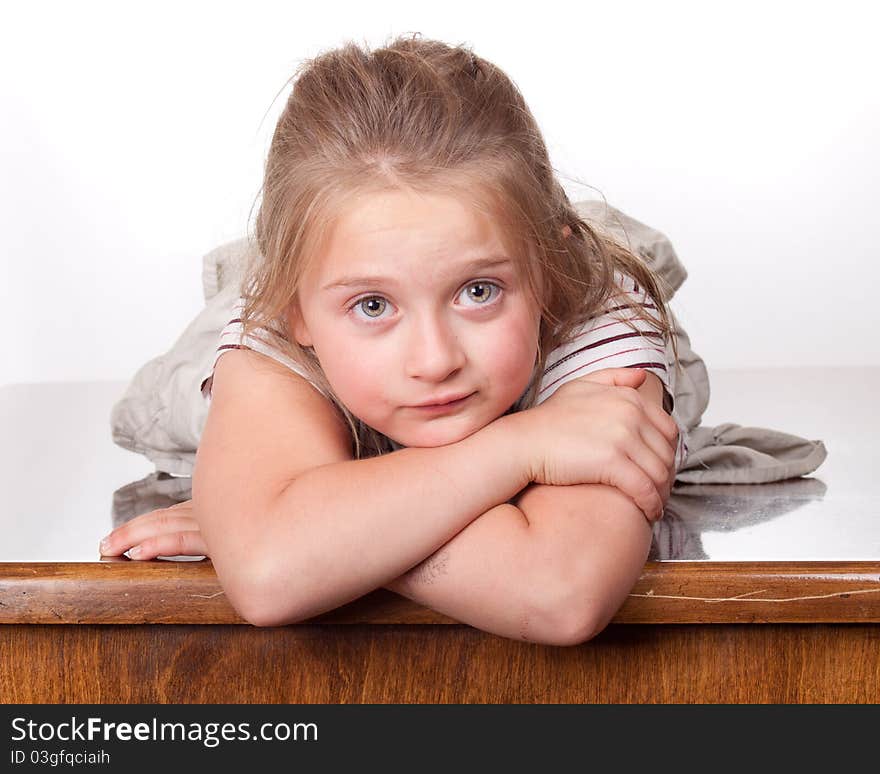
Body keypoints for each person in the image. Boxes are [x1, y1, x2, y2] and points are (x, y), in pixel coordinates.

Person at [99, 34, 685, 646]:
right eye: (373, 306)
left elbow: (559, 594)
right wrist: (521, 447)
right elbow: (269, 574)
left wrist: (312, 539)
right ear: (297, 309)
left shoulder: (591, 307)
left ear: (545, 271)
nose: (434, 361)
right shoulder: (273, 326)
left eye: (478, 292)